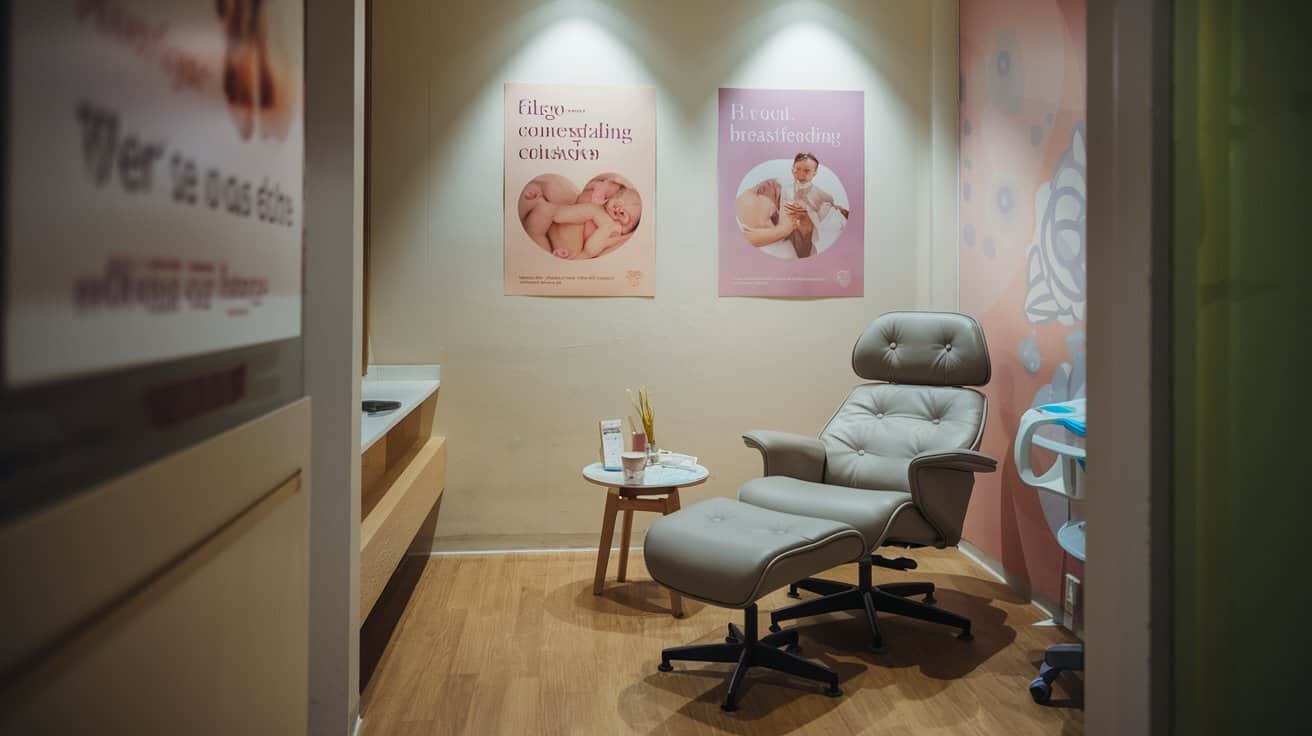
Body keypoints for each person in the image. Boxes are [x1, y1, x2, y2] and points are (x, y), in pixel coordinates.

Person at [520, 175, 642, 259]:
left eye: (626, 214)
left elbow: (591, 250)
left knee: (588, 210)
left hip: (571, 246)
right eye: (619, 198)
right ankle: (540, 202)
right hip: (555, 218)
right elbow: (599, 186)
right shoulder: (599, 204)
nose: (619, 208)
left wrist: (606, 227)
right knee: (543, 210)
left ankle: (544, 206)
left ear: (630, 227)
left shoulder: (614, 229)